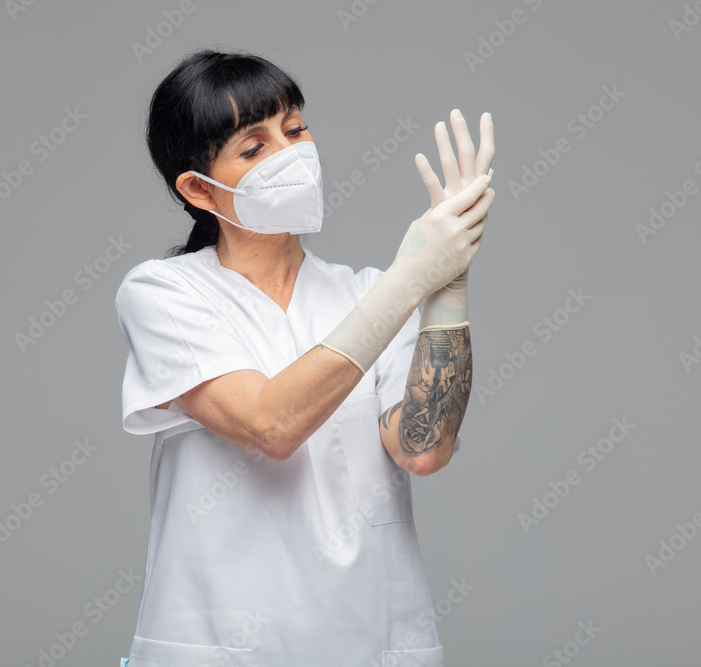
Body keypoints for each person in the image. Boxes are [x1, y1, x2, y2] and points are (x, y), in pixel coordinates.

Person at [114, 48, 495, 667]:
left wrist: (446, 286)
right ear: (198, 188)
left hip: (373, 639)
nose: (289, 155)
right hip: (217, 644)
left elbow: (423, 449)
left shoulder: (368, 292)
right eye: (253, 147)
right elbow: (271, 424)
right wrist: (409, 281)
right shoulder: (165, 293)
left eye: (294, 131)